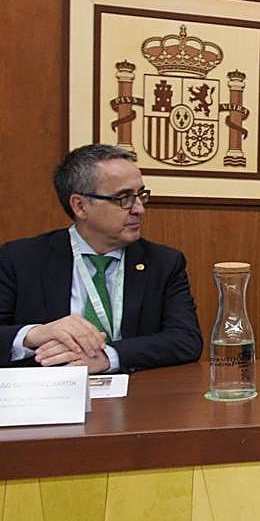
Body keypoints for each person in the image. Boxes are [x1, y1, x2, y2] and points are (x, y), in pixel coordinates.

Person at [0, 143, 202, 373]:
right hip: (47, 396)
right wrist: (35, 334)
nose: (138, 209)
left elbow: (186, 340)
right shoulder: (20, 259)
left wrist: (108, 357)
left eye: (140, 196)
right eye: (123, 198)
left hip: (135, 399)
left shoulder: (164, 263)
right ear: (80, 206)